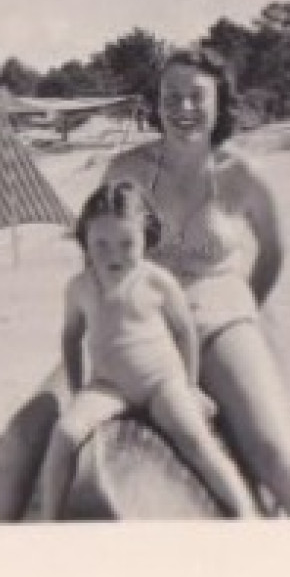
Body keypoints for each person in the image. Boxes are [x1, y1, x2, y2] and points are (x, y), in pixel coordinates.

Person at [0, 46, 290, 520]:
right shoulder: (127, 170)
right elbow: (97, 253)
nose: (183, 108)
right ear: (155, 103)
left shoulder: (243, 177)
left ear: (220, 100)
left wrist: (246, 313)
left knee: (276, 458)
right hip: (130, 324)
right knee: (22, 435)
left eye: (196, 96)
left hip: (216, 319)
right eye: (171, 96)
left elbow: (274, 252)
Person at [32, 182, 257, 520]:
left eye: (127, 243)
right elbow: (71, 338)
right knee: (64, 435)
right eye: (101, 244)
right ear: (86, 241)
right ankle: (49, 520)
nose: (114, 254)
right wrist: (80, 391)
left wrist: (191, 386)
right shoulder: (79, 288)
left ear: (146, 240)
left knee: (196, 441)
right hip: (109, 387)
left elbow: (184, 331)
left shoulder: (156, 280)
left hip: (160, 383)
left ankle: (246, 512)